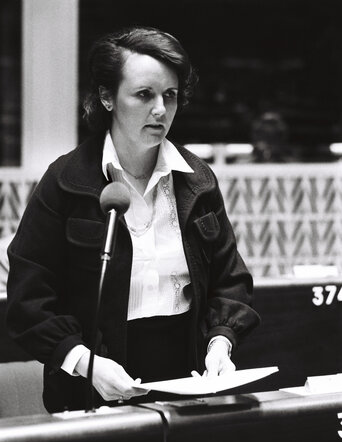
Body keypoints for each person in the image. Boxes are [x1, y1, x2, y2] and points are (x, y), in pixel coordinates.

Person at [6, 26, 260, 413]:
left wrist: (220, 344)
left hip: (187, 382)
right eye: (145, 95)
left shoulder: (198, 180)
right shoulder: (66, 181)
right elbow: (29, 298)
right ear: (107, 97)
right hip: (92, 387)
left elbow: (231, 281)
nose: (160, 109)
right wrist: (82, 362)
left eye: (170, 96)